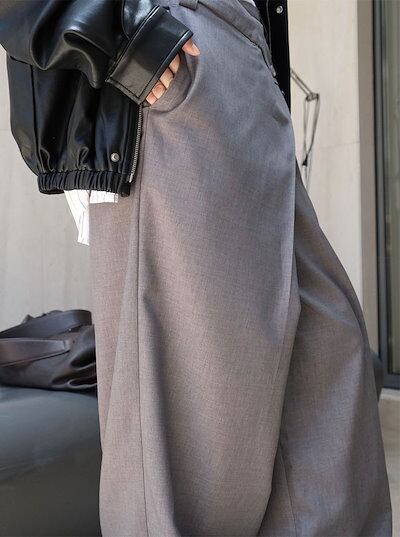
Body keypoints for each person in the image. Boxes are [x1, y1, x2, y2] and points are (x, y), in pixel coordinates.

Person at [0, 1, 392, 535]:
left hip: (249, 59)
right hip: (172, 49)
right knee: (190, 460)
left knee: (329, 378)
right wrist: (125, 37)